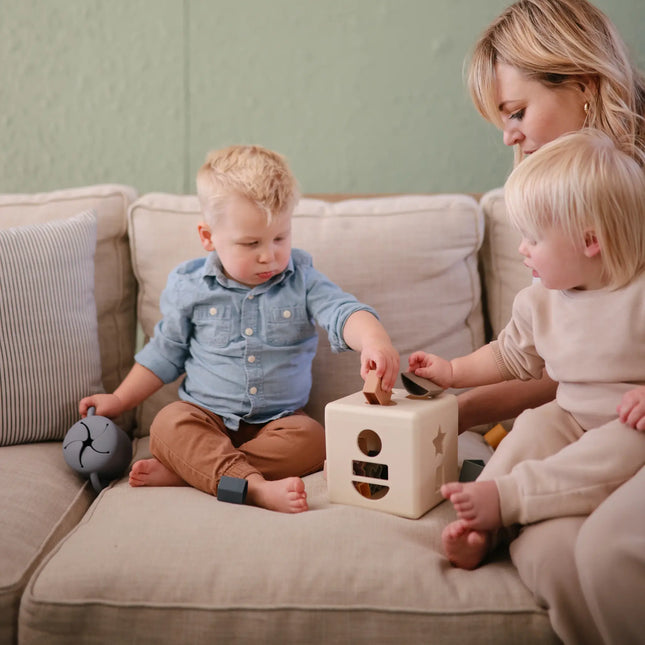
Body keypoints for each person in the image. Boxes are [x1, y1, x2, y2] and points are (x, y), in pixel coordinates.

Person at [450, 2, 645, 643]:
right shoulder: (554, 211)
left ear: (584, 87)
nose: (507, 135)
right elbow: (558, 362)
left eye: (515, 112)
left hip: (630, 426)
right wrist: (453, 398)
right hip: (588, 417)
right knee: (551, 552)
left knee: (605, 549)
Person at [80, 144, 399, 514]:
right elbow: (164, 353)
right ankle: (254, 487)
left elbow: (343, 312)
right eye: (251, 243)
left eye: (280, 238)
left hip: (279, 425)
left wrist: (374, 340)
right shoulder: (191, 287)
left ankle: (193, 472)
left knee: (314, 439)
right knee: (168, 424)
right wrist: (118, 401)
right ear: (207, 236)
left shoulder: (303, 281)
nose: (270, 255)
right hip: (205, 418)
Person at [410, 127, 645, 559]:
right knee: (533, 427)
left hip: (629, 426)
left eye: (534, 239)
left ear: (590, 241)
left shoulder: (638, 295)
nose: (522, 249)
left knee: (617, 444)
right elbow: (507, 356)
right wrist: (453, 372)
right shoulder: (539, 301)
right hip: (571, 416)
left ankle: (509, 500)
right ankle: (481, 528)